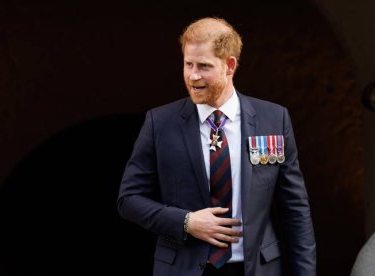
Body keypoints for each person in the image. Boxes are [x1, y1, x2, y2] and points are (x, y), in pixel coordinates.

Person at [117, 17, 316, 276]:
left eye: (204, 66)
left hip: (255, 269)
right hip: (185, 268)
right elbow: (129, 200)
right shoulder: (160, 123)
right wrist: (186, 222)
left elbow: (295, 209)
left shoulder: (273, 119)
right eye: (188, 64)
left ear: (229, 65)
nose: (193, 75)